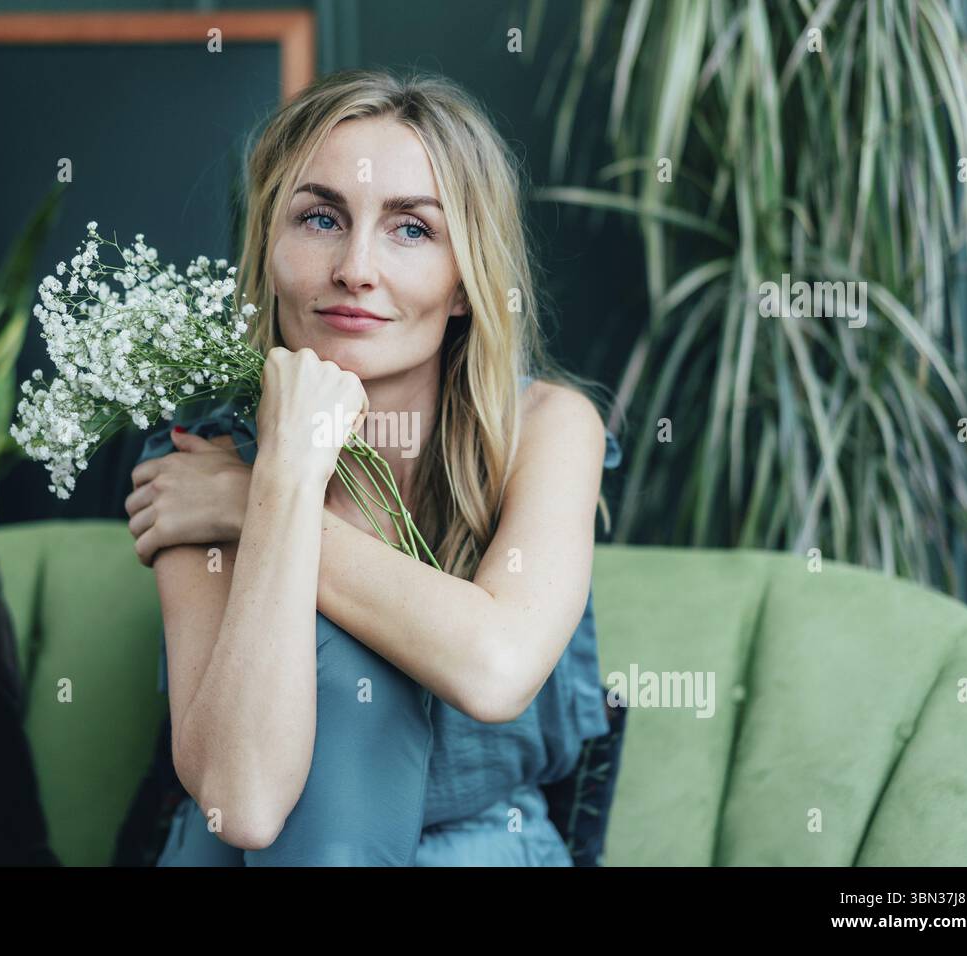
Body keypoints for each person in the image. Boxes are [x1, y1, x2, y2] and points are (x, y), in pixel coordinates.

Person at [122, 68, 623, 866]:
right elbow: (240, 801)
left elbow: (496, 669)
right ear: (270, 247)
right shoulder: (204, 456)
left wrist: (250, 506)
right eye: (320, 218)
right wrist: (281, 475)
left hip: (483, 847)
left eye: (412, 230)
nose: (356, 268)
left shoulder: (548, 429)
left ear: (465, 283)